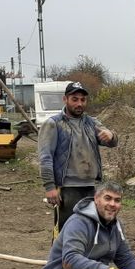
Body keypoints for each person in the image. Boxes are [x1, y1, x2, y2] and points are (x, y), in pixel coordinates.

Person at [38, 81, 118, 238]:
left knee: (90, 232)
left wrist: (111, 135)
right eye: (74, 99)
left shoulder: (91, 123)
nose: (79, 103)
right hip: (68, 190)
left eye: (83, 100)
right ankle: (62, 262)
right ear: (65, 99)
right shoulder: (54, 124)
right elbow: (45, 157)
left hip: (91, 188)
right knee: (67, 233)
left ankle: (84, 262)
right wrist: (50, 187)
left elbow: (112, 142)